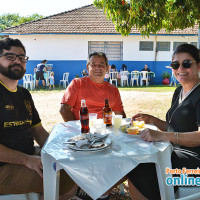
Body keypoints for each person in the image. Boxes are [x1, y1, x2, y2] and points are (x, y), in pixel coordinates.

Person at [0, 38, 76, 200]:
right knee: (67, 177)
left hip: (28, 154)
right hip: (5, 166)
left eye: (21, 57)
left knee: (76, 164)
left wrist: (60, 150)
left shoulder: (23, 94)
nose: (17, 61)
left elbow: (38, 131)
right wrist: (27, 160)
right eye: (10, 57)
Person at [127, 43, 200, 200]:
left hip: (194, 160)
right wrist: (152, 120)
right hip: (175, 151)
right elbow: (175, 126)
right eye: (175, 64)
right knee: (137, 161)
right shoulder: (179, 91)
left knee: (140, 168)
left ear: (199, 66)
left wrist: (164, 136)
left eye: (186, 63)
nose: (180, 68)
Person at [60, 52, 126, 121]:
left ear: (107, 69)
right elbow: (64, 109)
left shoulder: (113, 90)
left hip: (105, 129)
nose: (97, 67)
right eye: (93, 64)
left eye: (101, 64)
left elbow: (120, 115)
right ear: (87, 68)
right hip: (82, 129)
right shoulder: (77, 83)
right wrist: (76, 129)